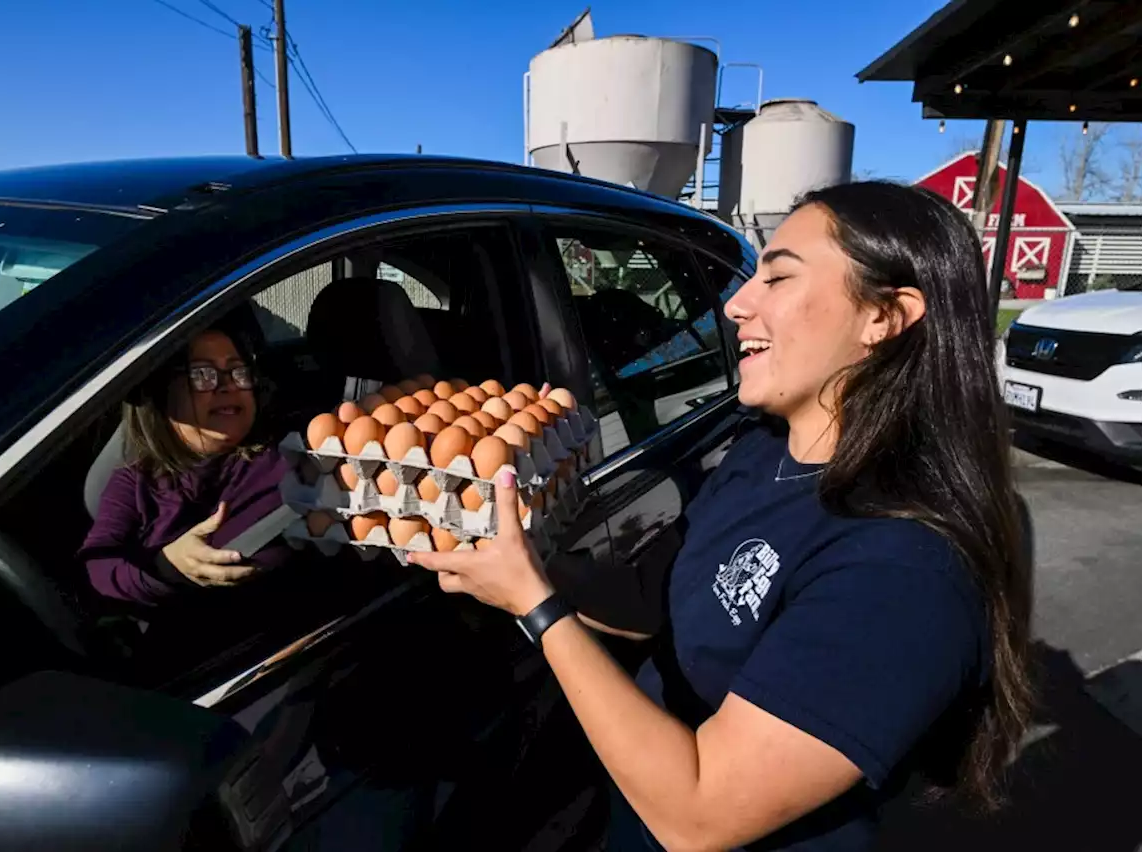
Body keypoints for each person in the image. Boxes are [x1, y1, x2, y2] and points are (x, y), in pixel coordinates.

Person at [409, 181, 1032, 851]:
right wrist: (525, 566)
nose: (735, 304)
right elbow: (659, 601)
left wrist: (535, 606)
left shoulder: (904, 565)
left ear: (884, 316)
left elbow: (702, 813)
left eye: (780, 278)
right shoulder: (765, 449)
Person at [80, 323, 292, 606]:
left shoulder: (288, 451)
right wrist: (167, 566)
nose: (228, 385)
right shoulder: (135, 480)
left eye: (238, 371)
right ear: (162, 392)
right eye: (203, 374)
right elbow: (98, 566)